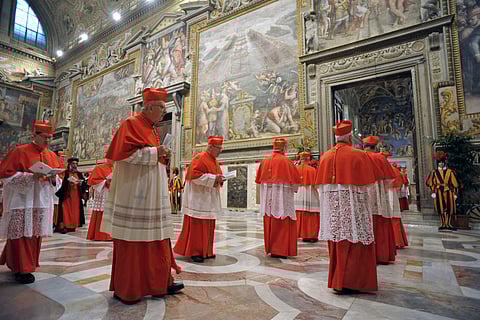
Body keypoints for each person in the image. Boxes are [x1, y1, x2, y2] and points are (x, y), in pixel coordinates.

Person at [103, 88, 183, 305]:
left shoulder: (152, 128)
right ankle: (129, 287)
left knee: (157, 236)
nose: (164, 112)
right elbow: (124, 155)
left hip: (152, 190)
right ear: (148, 107)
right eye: (162, 108)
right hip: (135, 192)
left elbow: (152, 154)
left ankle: (159, 282)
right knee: (134, 238)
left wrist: (162, 154)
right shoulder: (131, 124)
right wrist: (156, 153)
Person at [315, 120, 378, 293]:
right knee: (355, 237)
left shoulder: (325, 156)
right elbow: (369, 186)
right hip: (354, 208)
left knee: (337, 239)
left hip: (334, 210)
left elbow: (320, 187)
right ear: (350, 136)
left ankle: (337, 280)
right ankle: (353, 281)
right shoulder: (358, 154)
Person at [0, 120, 62, 284]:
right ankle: (21, 268)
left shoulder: (51, 155)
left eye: (50, 137)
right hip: (22, 200)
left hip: (40, 200)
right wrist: (30, 177)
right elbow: (6, 175)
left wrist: (53, 179)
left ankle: (29, 264)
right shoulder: (20, 152)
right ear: (34, 135)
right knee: (21, 234)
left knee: (34, 235)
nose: (47, 141)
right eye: (44, 137)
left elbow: (58, 180)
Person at [174, 136, 225, 263]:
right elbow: (195, 176)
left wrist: (220, 179)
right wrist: (214, 179)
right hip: (198, 199)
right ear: (211, 147)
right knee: (197, 227)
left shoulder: (214, 161)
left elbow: (215, 177)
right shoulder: (200, 157)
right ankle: (195, 252)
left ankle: (206, 251)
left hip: (208, 199)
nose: (221, 151)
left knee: (209, 226)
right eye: (219, 148)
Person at [256, 137, 301, 258]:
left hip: (268, 200)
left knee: (270, 218)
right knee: (282, 217)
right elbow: (296, 184)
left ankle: (271, 247)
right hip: (283, 198)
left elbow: (259, 181)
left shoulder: (265, 161)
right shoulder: (287, 162)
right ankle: (280, 250)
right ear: (284, 148)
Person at [362, 136, 397, 264]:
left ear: (364, 145)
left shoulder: (360, 156)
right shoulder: (380, 158)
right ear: (375, 146)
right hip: (378, 191)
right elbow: (389, 179)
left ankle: (365, 256)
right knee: (380, 220)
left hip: (363, 191)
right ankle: (381, 255)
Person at [426, 152, 459, 231]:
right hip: (438, 191)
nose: (441, 164)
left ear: (445, 163)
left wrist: (455, 193)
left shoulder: (450, 171)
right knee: (440, 207)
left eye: (442, 162)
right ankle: (442, 223)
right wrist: (433, 191)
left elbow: (455, 183)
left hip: (448, 191)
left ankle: (448, 223)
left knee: (449, 207)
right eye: (440, 162)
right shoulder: (434, 172)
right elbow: (431, 182)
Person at [294, 151, 320, 242]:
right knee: (310, 213)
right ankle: (309, 235)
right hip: (309, 193)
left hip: (297, 194)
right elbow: (316, 185)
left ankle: (298, 233)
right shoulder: (312, 170)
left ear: (300, 159)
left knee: (298, 212)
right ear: (308, 159)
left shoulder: (295, 169)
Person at [55, 157, 86, 233]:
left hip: (76, 196)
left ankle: (73, 226)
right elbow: (60, 181)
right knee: (65, 210)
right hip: (67, 195)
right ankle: (63, 226)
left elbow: (84, 183)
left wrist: (81, 183)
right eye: (73, 164)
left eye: (76, 164)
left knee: (75, 211)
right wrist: (68, 183)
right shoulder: (65, 173)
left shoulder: (79, 174)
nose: (75, 165)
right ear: (69, 164)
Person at [86, 159, 113, 241]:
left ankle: (113, 235)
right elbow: (92, 181)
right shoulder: (99, 168)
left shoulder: (118, 167)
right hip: (104, 193)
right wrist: (105, 182)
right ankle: (101, 235)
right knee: (102, 212)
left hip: (114, 193)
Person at [385, 158, 409, 248]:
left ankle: (396, 241)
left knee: (392, 216)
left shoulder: (389, 170)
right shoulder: (396, 171)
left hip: (389, 194)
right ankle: (397, 241)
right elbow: (400, 184)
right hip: (392, 194)